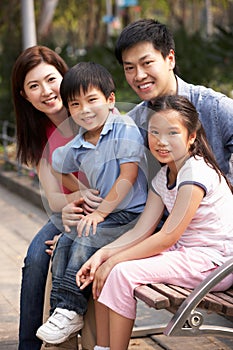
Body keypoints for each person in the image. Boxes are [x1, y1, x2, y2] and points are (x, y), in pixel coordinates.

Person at [77, 94, 233, 350]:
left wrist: (116, 260)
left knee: (122, 272)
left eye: (172, 133)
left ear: (191, 136)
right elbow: (142, 230)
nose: (161, 142)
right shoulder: (163, 176)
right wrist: (104, 255)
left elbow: (167, 236)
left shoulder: (195, 172)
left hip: (214, 263)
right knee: (106, 267)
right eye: (154, 132)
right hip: (189, 255)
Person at [36, 61, 148, 345]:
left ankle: (71, 307)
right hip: (105, 214)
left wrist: (99, 211)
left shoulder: (124, 128)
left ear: (110, 100)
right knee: (64, 241)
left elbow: (127, 175)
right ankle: (63, 310)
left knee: (87, 237)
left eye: (92, 100)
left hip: (131, 216)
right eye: (75, 105)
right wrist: (83, 191)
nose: (84, 110)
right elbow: (57, 165)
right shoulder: (78, 142)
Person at [11, 46, 101, 350]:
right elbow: (53, 196)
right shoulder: (38, 132)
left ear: (64, 74)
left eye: (51, 79)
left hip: (110, 211)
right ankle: (28, 345)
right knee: (36, 256)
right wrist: (70, 212)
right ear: (24, 95)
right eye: (34, 86)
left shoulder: (91, 110)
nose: (46, 91)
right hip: (70, 212)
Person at [113, 18, 233, 184]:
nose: (139, 75)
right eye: (129, 68)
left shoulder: (213, 107)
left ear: (170, 59)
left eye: (147, 63)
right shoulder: (133, 124)